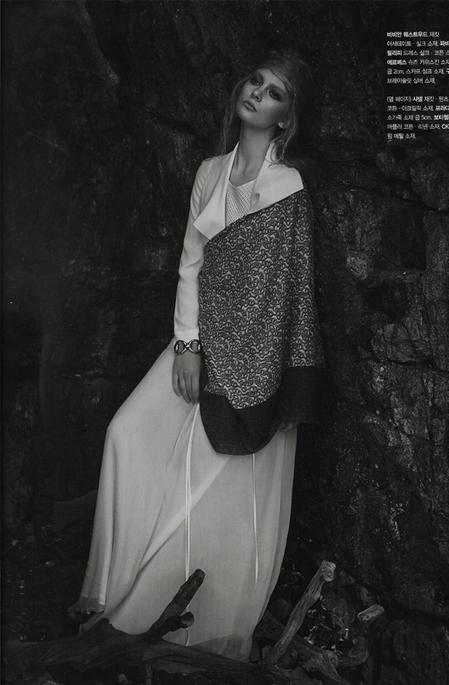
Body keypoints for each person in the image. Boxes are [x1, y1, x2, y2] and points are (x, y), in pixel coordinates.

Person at [70, 49, 325, 662]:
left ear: (287, 118)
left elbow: (290, 290)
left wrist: (263, 368)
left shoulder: (290, 187)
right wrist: (187, 345)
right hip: (198, 338)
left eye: (274, 92)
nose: (258, 93)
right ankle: (116, 592)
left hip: (257, 356)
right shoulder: (210, 171)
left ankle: (188, 625)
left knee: (220, 490)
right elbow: (191, 264)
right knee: (126, 435)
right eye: (256, 82)